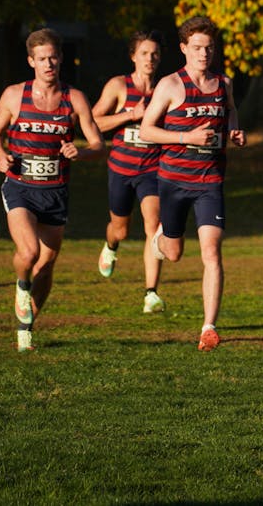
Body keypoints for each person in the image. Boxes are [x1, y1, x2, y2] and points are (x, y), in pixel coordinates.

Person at [0, 28, 105, 353]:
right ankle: (21, 285)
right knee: (29, 253)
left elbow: (98, 144)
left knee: (47, 263)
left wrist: (81, 152)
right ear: (31, 61)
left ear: (61, 58)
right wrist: (0, 156)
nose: (48, 64)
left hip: (55, 192)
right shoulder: (14, 95)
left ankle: (26, 327)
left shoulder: (75, 98)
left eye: (53, 57)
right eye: (42, 59)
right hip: (20, 186)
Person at [138, 16, 246, 352]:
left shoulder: (223, 83)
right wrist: (186, 137)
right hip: (173, 181)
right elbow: (146, 130)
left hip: (210, 181)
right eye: (197, 47)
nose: (204, 54)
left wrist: (234, 130)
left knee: (212, 252)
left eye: (209, 48)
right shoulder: (170, 85)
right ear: (184, 48)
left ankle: (208, 327)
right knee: (173, 254)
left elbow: (231, 111)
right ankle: (161, 237)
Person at [92, 31, 167, 314]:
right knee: (121, 230)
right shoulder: (119, 86)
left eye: (155, 53)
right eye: (144, 53)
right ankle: (111, 245)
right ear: (133, 56)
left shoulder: (165, 88)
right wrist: (130, 115)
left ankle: (151, 293)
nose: (150, 58)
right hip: (121, 169)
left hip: (153, 170)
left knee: (154, 225)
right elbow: (94, 122)